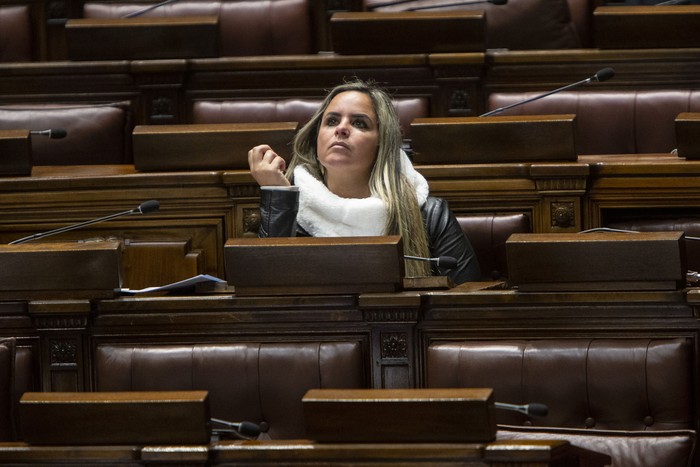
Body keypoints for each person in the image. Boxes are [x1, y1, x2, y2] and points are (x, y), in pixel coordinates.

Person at [247, 79, 480, 284]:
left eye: (359, 123)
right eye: (331, 121)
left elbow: (465, 303)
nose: (341, 129)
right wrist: (277, 194)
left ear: (382, 143)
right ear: (315, 137)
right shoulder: (290, 210)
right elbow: (265, 298)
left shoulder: (430, 215)